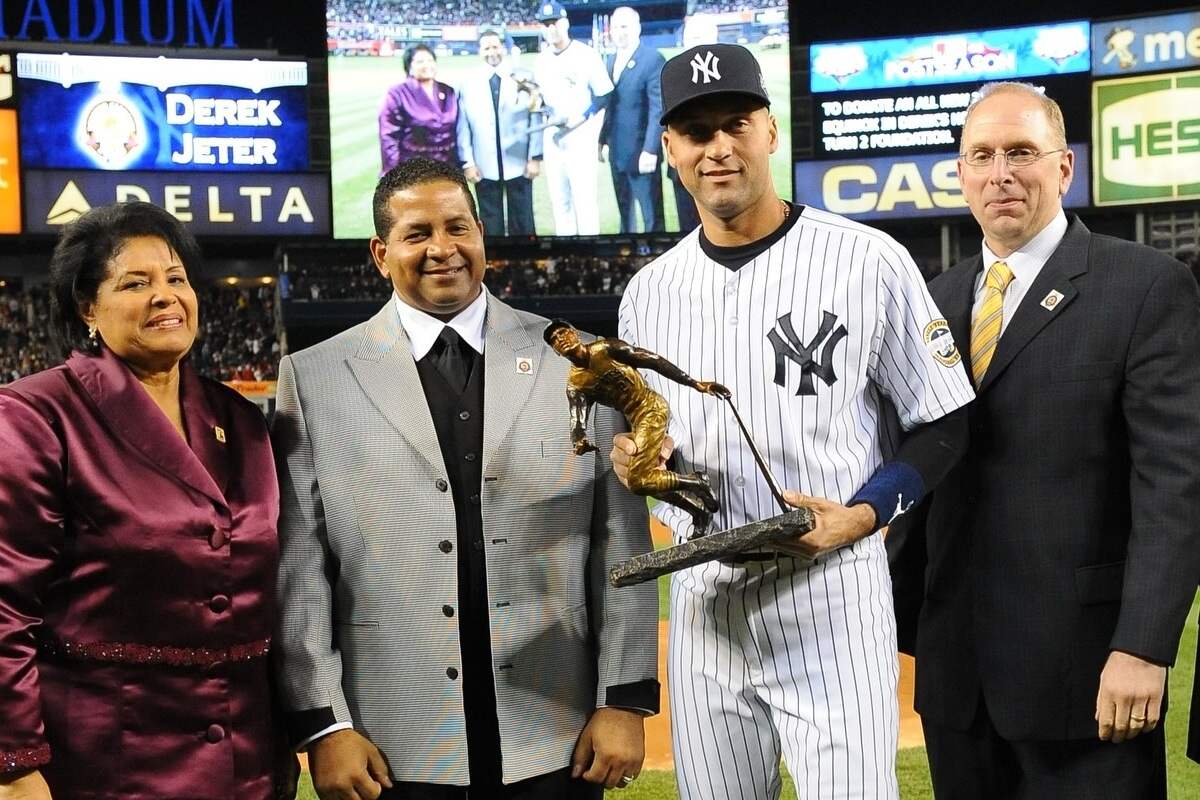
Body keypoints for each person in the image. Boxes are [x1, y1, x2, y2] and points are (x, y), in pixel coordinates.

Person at [611, 44, 974, 799]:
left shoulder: (866, 259)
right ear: (670, 148)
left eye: (735, 124)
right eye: (696, 131)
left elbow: (943, 424)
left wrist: (865, 515)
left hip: (831, 592)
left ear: (770, 133)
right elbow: (655, 440)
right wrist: (639, 461)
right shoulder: (648, 293)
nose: (718, 148)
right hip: (704, 597)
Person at [273, 158, 659, 800]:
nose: (442, 249)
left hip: (555, 729)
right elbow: (300, 569)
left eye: (458, 228)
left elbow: (621, 546)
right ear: (380, 252)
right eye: (417, 233)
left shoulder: (581, 362)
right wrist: (325, 725)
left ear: (482, 235)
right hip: (392, 740)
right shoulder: (314, 377)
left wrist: (624, 700)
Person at [896, 81, 1200, 799]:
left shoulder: (1145, 287)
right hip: (957, 681)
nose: (1001, 172)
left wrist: (1143, 646)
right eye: (982, 155)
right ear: (961, 173)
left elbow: (1176, 484)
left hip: (1087, 674)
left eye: (1021, 152)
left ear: (1063, 168)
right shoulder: (931, 302)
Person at [0, 202, 292, 799]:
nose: (165, 296)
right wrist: (15, 762)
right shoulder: (35, 415)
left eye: (176, 278)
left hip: (249, 764)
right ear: (87, 307)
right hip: (107, 765)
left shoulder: (239, 418)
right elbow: (4, 608)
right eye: (136, 283)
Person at [532, 1, 612, 236]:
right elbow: (541, 98)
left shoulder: (586, 54)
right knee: (560, 201)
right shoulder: (541, 60)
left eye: (554, 22)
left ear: (565, 22)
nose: (551, 29)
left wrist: (582, 116)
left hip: (580, 135)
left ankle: (592, 254)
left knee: (585, 200)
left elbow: (604, 94)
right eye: (546, 24)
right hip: (553, 135)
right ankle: (566, 252)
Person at [457, 29, 542, 237]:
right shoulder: (468, 83)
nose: (491, 52)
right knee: (489, 226)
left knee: (523, 223)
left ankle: (527, 265)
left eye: (495, 46)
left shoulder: (523, 77)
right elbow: (463, 127)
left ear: (502, 47)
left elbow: (536, 117)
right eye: (486, 48)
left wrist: (535, 157)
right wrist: (468, 163)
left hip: (519, 163)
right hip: (485, 165)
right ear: (479, 51)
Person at [598, 7, 665, 234]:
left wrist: (651, 149)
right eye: (615, 27)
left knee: (651, 219)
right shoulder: (609, 61)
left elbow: (658, 109)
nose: (619, 32)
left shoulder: (653, 60)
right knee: (625, 217)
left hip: (641, 155)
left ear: (637, 28)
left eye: (624, 26)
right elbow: (609, 107)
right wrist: (602, 141)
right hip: (617, 155)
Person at [379, 45, 458, 174]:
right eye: (420, 61)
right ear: (409, 66)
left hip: (447, 169)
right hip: (413, 171)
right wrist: (393, 175)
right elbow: (389, 138)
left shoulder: (448, 91)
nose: (427, 65)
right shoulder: (397, 93)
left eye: (430, 60)